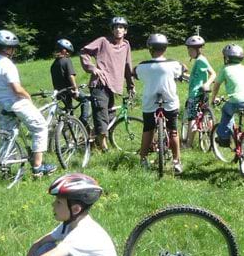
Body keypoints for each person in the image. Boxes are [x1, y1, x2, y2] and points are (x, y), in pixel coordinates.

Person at [0, 29, 56, 176]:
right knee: (40, 127)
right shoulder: (7, 64)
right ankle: (38, 167)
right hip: (15, 103)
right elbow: (17, 89)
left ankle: (5, 168)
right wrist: (27, 96)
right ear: (9, 48)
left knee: (7, 136)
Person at [80, 17, 136, 152]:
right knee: (102, 115)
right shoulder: (103, 41)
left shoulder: (126, 45)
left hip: (114, 85)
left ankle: (94, 141)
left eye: (121, 27)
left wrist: (131, 85)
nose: (118, 29)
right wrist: (92, 68)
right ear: (112, 29)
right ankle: (104, 147)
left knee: (110, 116)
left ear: (125, 30)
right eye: (116, 27)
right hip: (100, 84)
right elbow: (84, 52)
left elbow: (128, 66)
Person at [133, 33, 186, 175]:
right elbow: (182, 70)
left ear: (150, 49)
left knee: (148, 130)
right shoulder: (173, 64)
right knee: (173, 131)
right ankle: (176, 161)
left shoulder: (143, 66)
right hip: (170, 102)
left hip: (150, 103)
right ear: (165, 48)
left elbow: (135, 73)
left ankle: (143, 159)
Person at [183, 35, 217, 148]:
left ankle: (188, 144)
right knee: (202, 116)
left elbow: (213, 73)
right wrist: (184, 76)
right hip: (201, 93)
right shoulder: (199, 61)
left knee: (192, 118)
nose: (188, 52)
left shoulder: (201, 60)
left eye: (189, 49)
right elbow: (196, 78)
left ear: (195, 50)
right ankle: (211, 139)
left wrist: (207, 84)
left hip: (195, 94)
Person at [50, 38, 90, 130]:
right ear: (64, 50)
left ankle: (67, 129)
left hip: (59, 92)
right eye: (68, 52)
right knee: (85, 100)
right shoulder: (66, 60)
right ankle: (83, 120)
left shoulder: (54, 64)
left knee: (69, 111)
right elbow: (71, 76)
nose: (69, 54)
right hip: (69, 90)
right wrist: (75, 90)